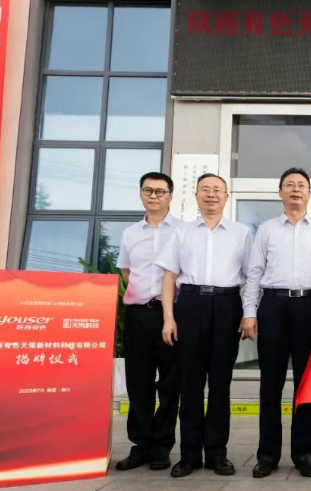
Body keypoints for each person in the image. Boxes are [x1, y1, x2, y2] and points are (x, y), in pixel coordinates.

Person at [155, 173, 254, 478]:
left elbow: (251, 278)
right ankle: (189, 456)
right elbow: (169, 277)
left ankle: (217, 454)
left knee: (221, 385)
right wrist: (169, 318)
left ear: (226, 197)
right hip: (190, 305)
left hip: (227, 306)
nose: (211, 195)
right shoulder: (181, 231)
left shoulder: (242, 233)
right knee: (190, 385)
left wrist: (248, 313)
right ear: (196, 196)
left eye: (217, 190)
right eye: (205, 190)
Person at [242, 168, 311, 479]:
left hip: (310, 308)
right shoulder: (266, 230)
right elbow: (254, 273)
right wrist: (249, 312)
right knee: (270, 383)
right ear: (280, 192)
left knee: (307, 384)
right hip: (273, 305)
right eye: (289, 185)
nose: (296, 189)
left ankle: (303, 453)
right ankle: (267, 454)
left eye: (301, 185)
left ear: (309, 193)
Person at [115, 172, 181, 472]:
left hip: (172, 315)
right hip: (139, 314)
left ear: (170, 196)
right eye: (148, 191)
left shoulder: (182, 231)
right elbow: (126, 272)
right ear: (141, 194)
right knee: (138, 381)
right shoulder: (130, 233)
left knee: (170, 383)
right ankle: (140, 445)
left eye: (160, 191)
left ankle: (162, 447)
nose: (153, 196)